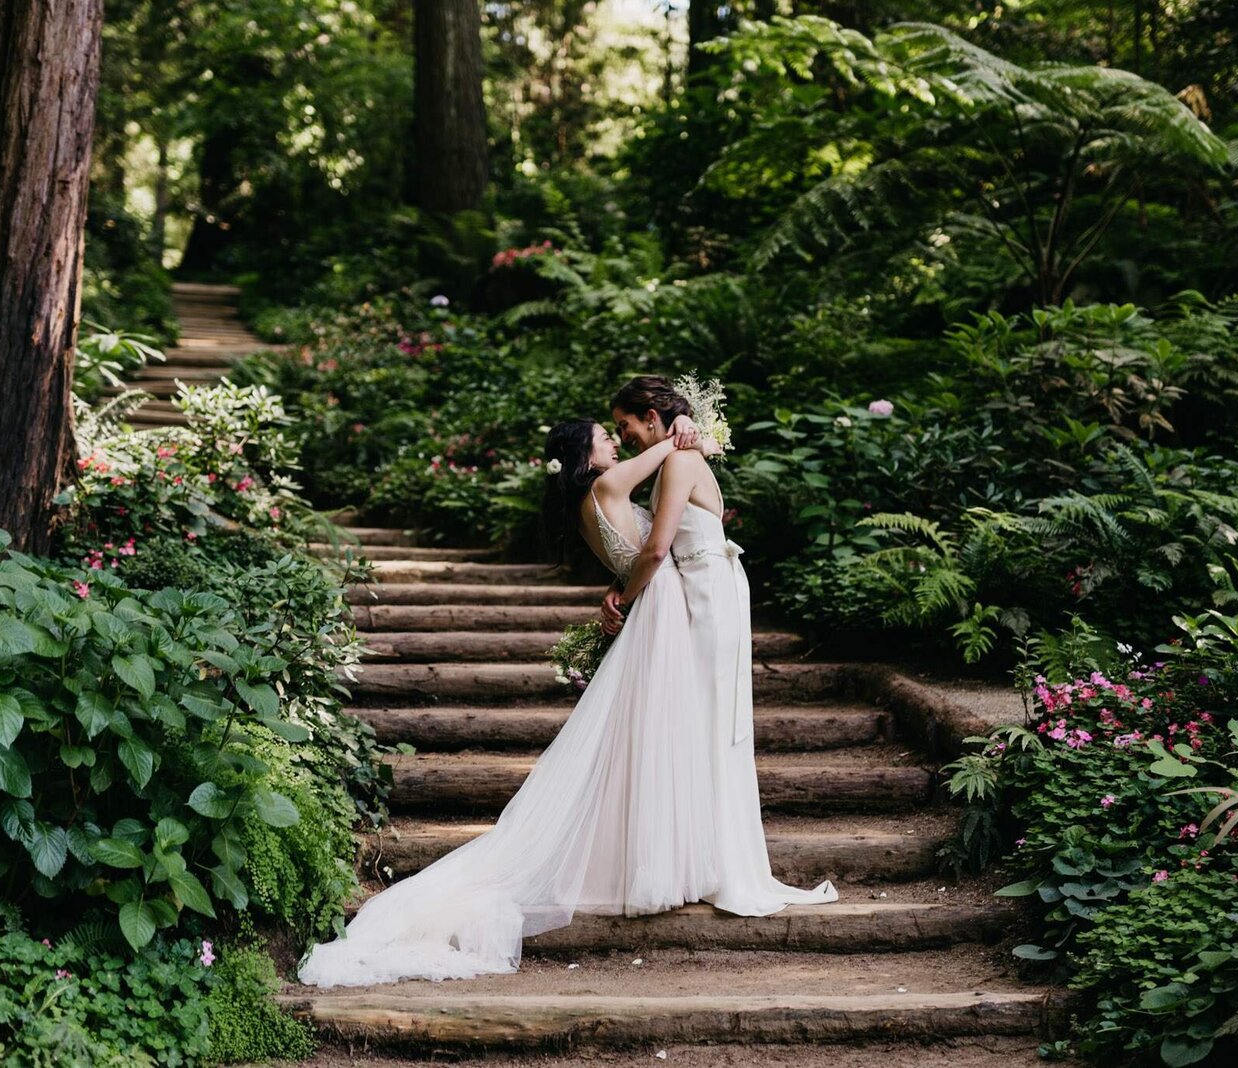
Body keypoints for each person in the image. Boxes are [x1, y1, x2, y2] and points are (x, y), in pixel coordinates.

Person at [297, 415, 722, 986]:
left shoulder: (590, 499)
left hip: (652, 606)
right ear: (582, 455)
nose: (614, 442)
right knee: (646, 733)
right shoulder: (605, 485)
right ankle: (654, 863)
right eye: (604, 436)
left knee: (642, 733)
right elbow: (665, 475)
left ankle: (651, 859)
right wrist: (684, 431)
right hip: (657, 605)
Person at [606, 375, 838, 916]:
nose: (625, 436)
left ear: (652, 417)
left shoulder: (681, 462)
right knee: (699, 718)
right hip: (703, 587)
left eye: (627, 426)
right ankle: (700, 854)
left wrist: (624, 594)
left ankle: (721, 860)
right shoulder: (674, 457)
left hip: (709, 591)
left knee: (711, 716)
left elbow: (658, 548)